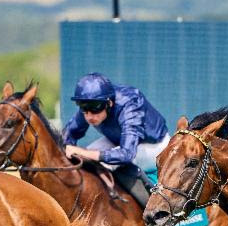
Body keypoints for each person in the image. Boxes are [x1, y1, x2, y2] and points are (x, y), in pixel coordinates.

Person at [61, 72, 170, 207]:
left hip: (154, 147)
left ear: (109, 103)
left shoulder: (130, 103)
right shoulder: (93, 104)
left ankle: (154, 210)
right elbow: (68, 136)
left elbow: (127, 154)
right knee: (85, 160)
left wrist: (84, 153)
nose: (89, 116)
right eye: (83, 108)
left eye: (95, 108)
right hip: (119, 140)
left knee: (103, 161)